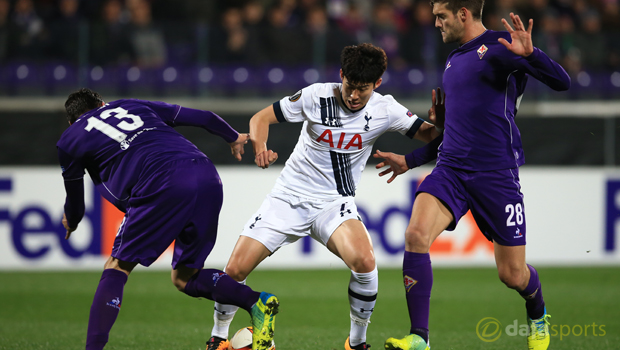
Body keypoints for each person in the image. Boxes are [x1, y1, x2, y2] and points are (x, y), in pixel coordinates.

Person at [206, 43, 442, 350]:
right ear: (341, 75)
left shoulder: (385, 109)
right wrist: (260, 148)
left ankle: (356, 344)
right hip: (288, 199)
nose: (354, 95)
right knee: (234, 270)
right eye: (350, 86)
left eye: (364, 89)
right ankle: (218, 338)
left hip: (334, 205)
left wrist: (426, 140)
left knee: (366, 262)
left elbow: (435, 138)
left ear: (378, 84)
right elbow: (260, 119)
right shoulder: (315, 96)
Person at [374, 1, 570, 350]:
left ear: (463, 13)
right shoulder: (452, 61)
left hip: (496, 173)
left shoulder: (501, 46)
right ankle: (420, 338)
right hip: (451, 169)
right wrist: (412, 159)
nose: (436, 23)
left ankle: (537, 311)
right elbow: (453, 133)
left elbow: (562, 82)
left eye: (441, 16)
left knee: (512, 275)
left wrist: (532, 54)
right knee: (416, 234)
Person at [57, 88, 279, 350]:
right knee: (185, 276)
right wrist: (232, 137)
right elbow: (205, 117)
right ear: (103, 103)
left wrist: (71, 221)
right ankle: (256, 301)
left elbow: (75, 202)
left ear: (71, 122)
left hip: (158, 182)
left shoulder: (69, 139)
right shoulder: (130, 104)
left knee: (116, 267)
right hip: (206, 175)